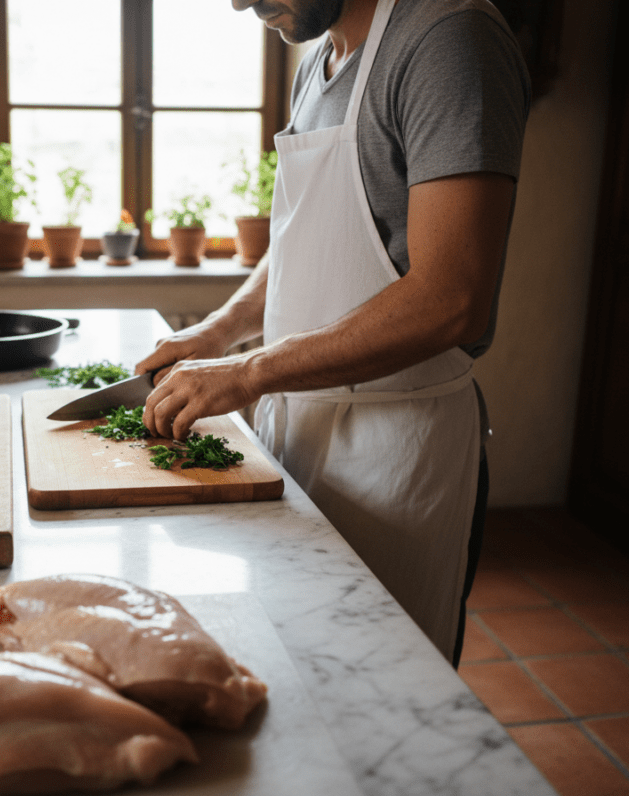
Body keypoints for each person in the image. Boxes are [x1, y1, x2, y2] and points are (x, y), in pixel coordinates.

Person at [135, 0, 530, 665]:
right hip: (299, 428)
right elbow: (301, 239)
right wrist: (223, 329)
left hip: (394, 454)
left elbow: (451, 298)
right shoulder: (317, 59)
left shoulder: (449, 38)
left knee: (383, 688)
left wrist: (249, 372)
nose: (238, 1)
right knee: (292, 670)